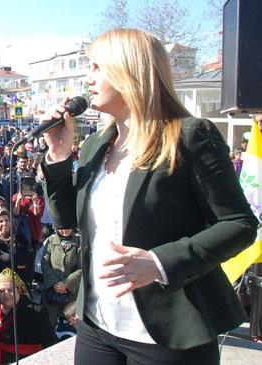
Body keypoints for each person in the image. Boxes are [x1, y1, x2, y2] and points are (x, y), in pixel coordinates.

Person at [41, 28, 257, 364]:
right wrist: (58, 156)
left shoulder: (190, 136)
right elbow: (66, 222)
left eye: (97, 67)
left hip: (169, 332)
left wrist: (158, 263)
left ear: (130, 70)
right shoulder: (96, 145)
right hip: (99, 324)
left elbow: (239, 224)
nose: (88, 77)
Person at [0, 268, 58, 364]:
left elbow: (51, 343)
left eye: (10, 290)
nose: (6, 294)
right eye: (2, 291)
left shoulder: (35, 312)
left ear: (19, 290)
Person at [41, 227, 81, 327]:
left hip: (71, 294)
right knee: (49, 324)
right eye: (62, 228)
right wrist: (55, 283)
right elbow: (45, 264)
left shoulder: (79, 242)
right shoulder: (50, 241)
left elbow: (82, 268)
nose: (65, 231)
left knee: (70, 326)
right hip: (51, 292)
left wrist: (66, 283)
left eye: (68, 227)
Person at [0, 208, 36, 288]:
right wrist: (19, 263)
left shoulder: (20, 238)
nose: (4, 223)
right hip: (0, 285)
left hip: (20, 283)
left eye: (7, 220)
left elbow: (30, 257)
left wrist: (9, 257)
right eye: (1, 221)